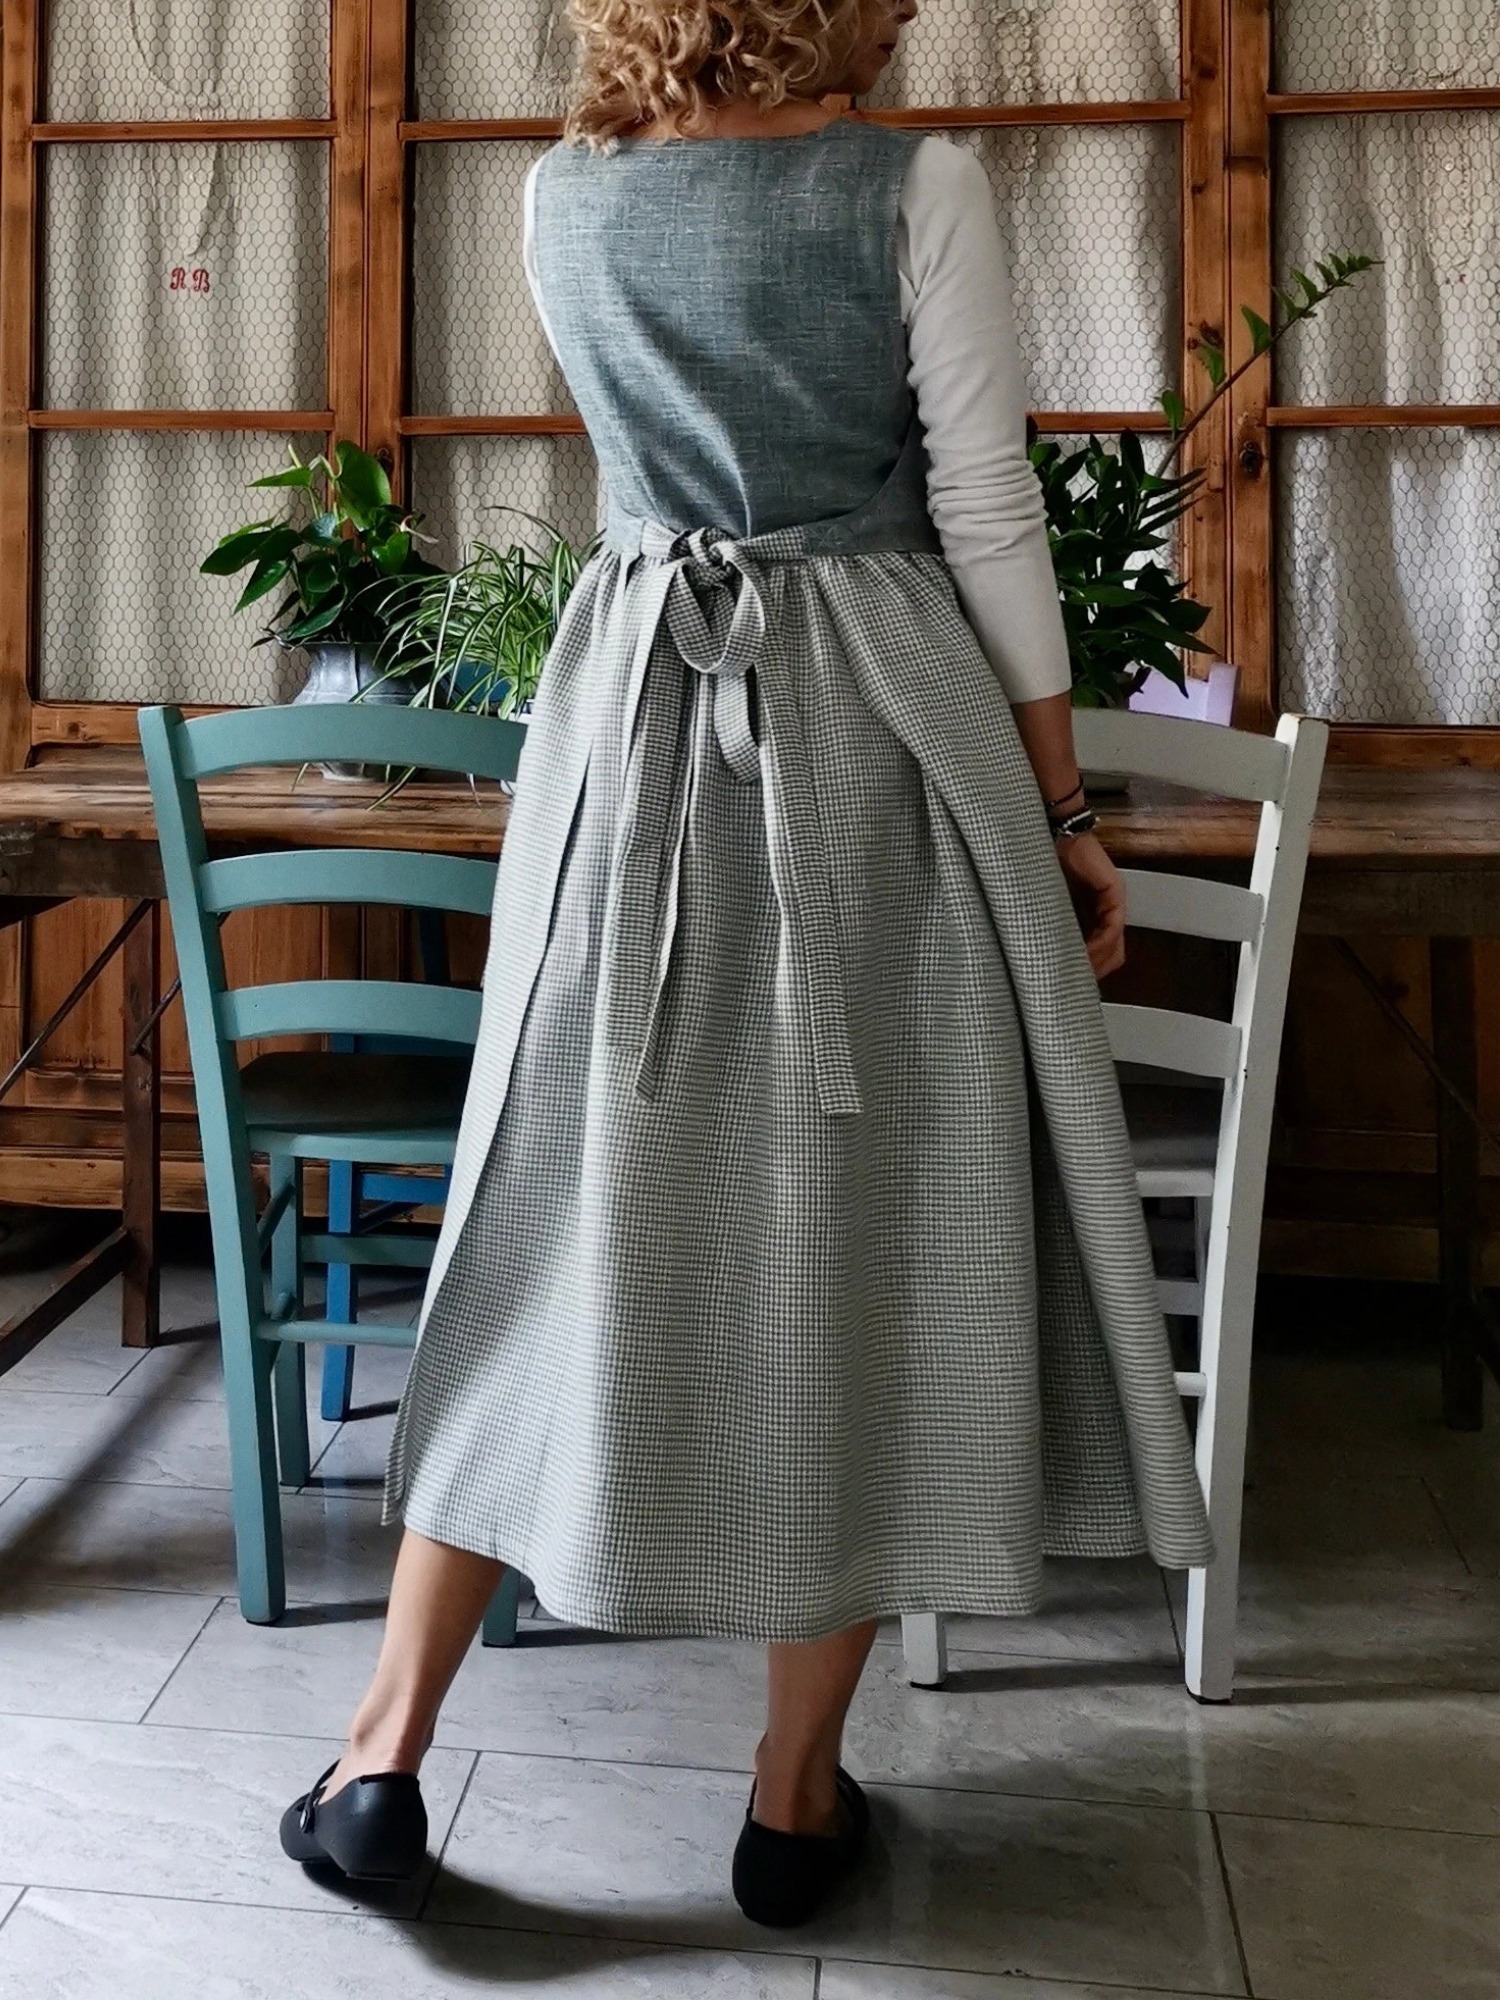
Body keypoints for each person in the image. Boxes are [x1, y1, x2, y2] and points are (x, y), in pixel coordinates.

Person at [279, 0, 1213, 1928]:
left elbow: (647, 467)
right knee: (856, 1240)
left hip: (627, 722)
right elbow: (984, 509)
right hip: (875, 733)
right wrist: (1059, 809)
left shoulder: (559, 193)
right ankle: (792, 1802)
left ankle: (382, 1759)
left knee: (548, 1217)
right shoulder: (915, 185)